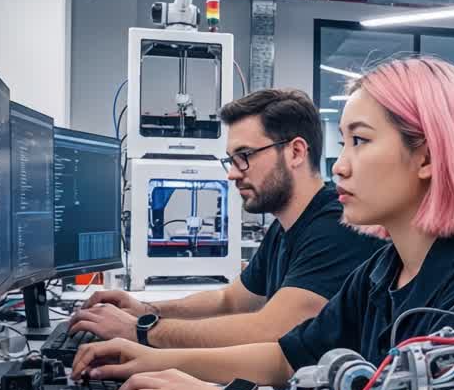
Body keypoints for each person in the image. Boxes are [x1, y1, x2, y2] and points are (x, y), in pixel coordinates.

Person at [71, 57, 454, 390]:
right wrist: (154, 359)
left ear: (427, 158)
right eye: (344, 141)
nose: (341, 164)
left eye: (360, 141)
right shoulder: (383, 270)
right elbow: (286, 355)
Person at [68, 89, 383, 348]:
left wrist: (142, 331)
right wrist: (147, 310)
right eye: (230, 160)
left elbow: (269, 329)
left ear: (296, 153)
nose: (232, 173)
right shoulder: (286, 227)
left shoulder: (336, 227)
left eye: (244, 156)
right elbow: (229, 299)